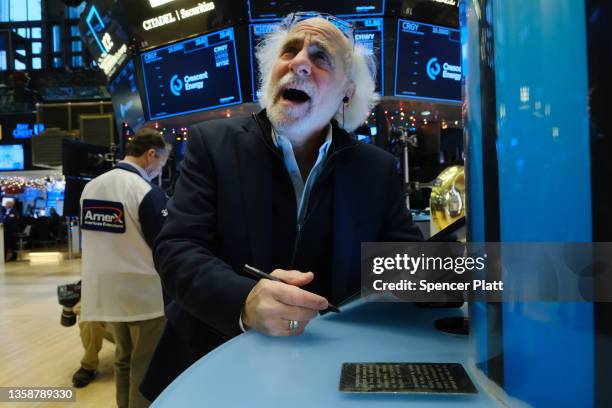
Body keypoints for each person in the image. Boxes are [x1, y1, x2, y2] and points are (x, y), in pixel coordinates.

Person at [140, 12, 423, 401]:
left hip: (327, 374)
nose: (299, 62)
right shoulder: (213, 145)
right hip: (209, 365)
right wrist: (243, 300)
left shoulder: (375, 169)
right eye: (290, 50)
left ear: (347, 92)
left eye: (321, 57)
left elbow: (407, 266)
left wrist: (484, 272)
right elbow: (176, 250)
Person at [80, 128, 171, 408]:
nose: (160, 170)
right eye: (162, 163)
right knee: (146, 366)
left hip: (108, 292)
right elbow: (165, 245)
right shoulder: (145, 191)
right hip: (145, 294)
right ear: (151, 155)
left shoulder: (90, 187)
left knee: (123, 358)